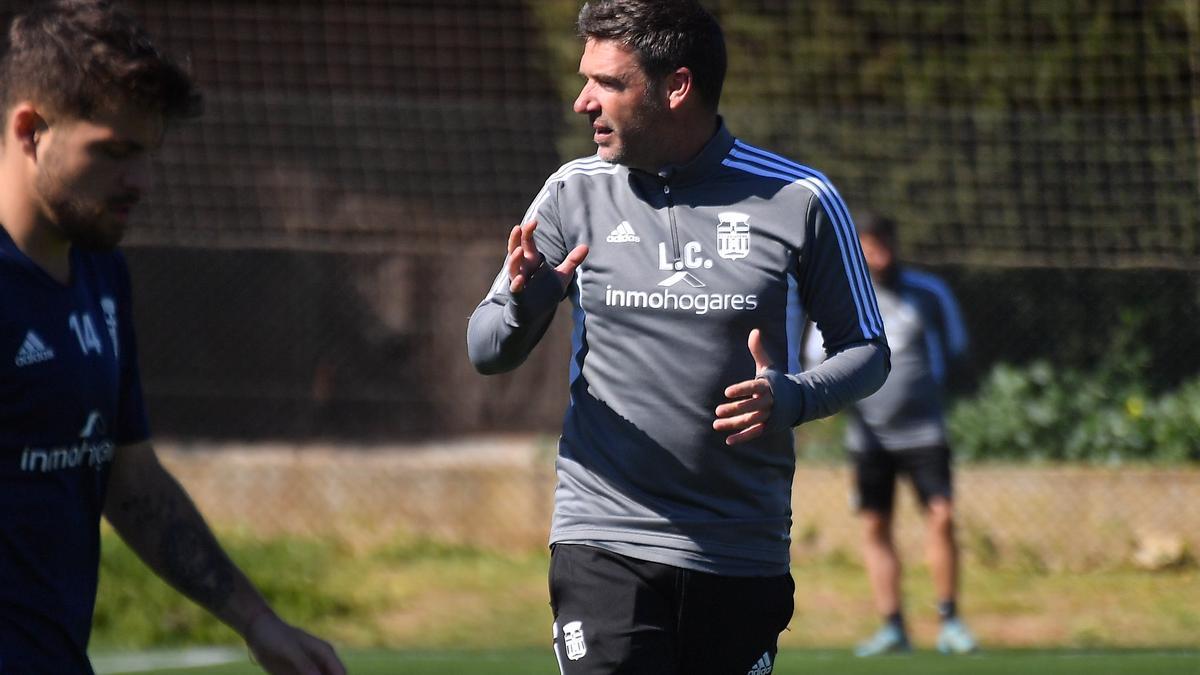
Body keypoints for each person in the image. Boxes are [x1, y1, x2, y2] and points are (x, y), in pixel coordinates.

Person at [467, 1, 889, 672]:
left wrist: (793, 399)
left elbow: (867, 352)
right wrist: (525, 306)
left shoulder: (801, 199)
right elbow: (487, 348)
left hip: (739, 545)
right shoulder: (572, 194)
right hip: (603, 536)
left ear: (676, 87)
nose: (582, 102)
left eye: (607, 82)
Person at [0, 2, 345, 673]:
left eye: (148, 154)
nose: (141, 183)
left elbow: (129, 479)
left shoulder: (99, 270)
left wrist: (257, 619)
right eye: (115, 152)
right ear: (30, 129)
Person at [802, 211, 977, 656]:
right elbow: (818, 363)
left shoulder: (928, 293)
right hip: (869, 439)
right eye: (865, 243)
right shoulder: (841, 298)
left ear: (894, 244)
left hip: (924, 432)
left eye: (880, 241)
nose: (874, 251)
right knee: (876, 525)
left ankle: (950, 620)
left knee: (941, 516)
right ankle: (893, 625)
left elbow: (954, 349)